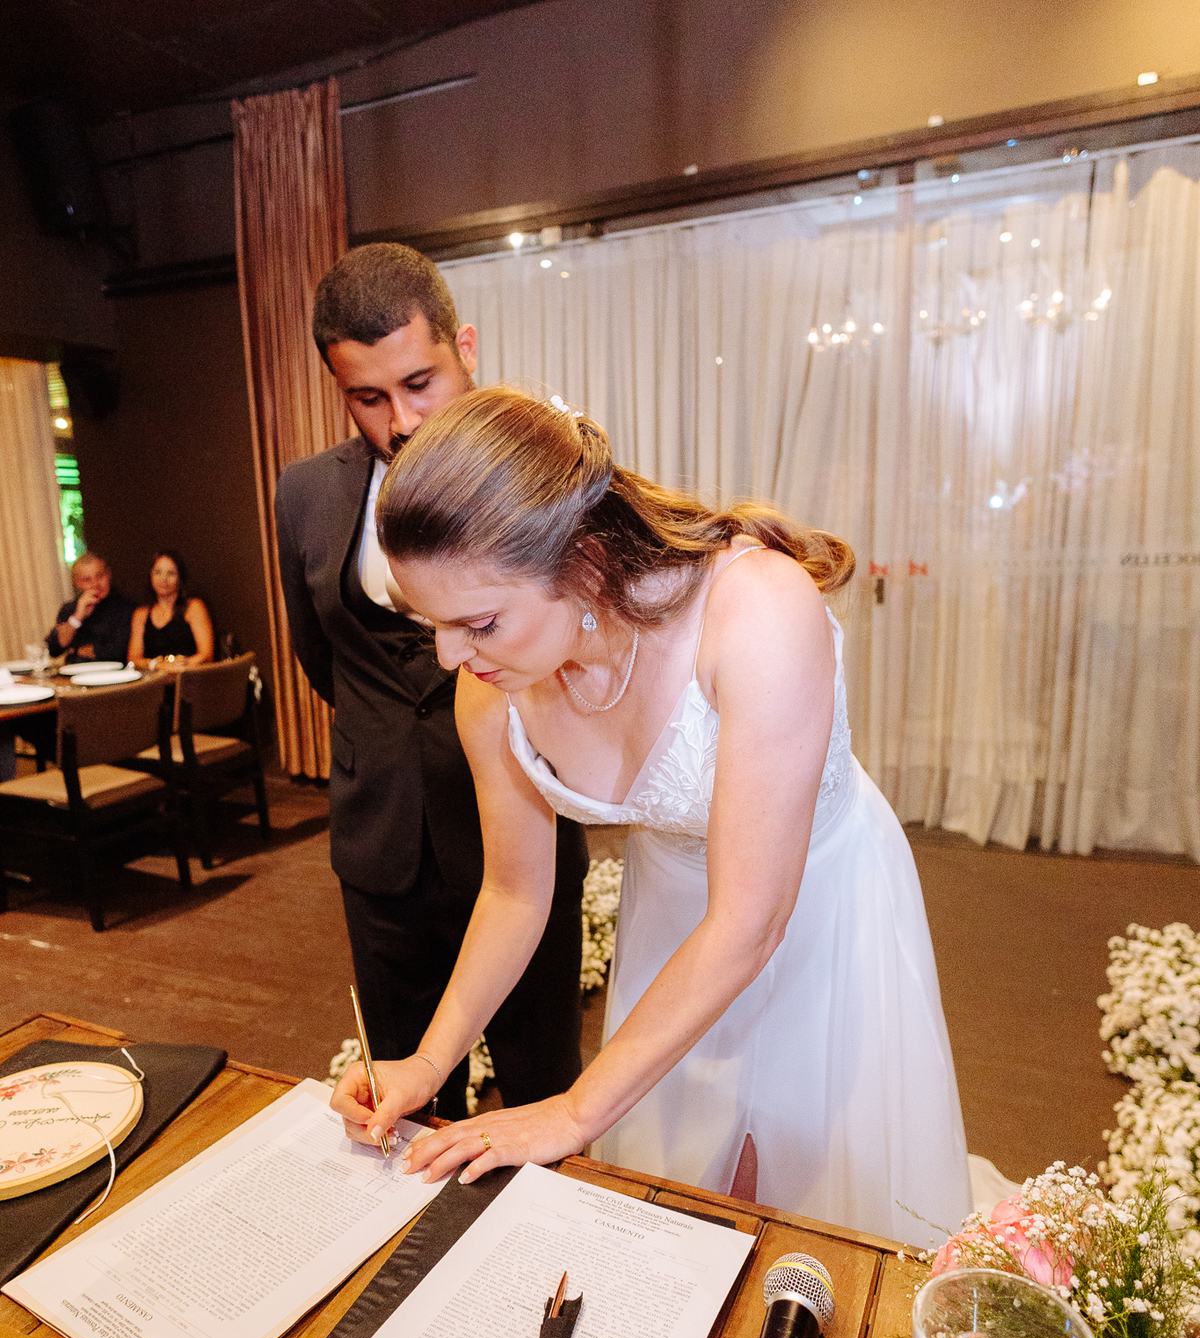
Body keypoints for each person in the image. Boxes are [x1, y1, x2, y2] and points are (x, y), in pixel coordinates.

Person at [332, 388, 972, 1246]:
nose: (449, 657)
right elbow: (518, 895)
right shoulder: (487, 691)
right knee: (689, 1187)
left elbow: (750, 919)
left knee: (815, 1198)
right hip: (675, 913)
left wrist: (572, 1110)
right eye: (433, 623)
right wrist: (430, 1061)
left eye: (478, 622)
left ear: (586, 566)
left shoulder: (759, 615)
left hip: (816, 905)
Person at [276, 244, 588, 1119]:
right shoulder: (303, 494)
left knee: (541, 1080)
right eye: (367, 398)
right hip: (378, 839)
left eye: (420, 382)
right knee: (405, 1092)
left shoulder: (543, 473)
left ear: (469, 350)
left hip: (516, 824)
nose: (401, 420)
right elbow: (320, 657)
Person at [46, 553, 135, 663]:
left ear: (108, 575)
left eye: (99, 576)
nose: (95, 584)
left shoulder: (126, 607)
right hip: (74, 675)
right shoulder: (69, 609)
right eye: (87, 580)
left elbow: (117, 652)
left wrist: (74, 651)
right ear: (77, 582)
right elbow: (54, 649)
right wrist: (77, 617)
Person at [128, 552, 214, 665]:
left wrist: (184, 664)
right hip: (154, 679)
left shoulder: (194, 607)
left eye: (171, 573)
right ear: (150, 576)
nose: (163, 579)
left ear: (180, 577)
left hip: (187, 677)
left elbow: (206, 655)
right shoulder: (141, 614)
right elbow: (133, 659)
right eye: (158, 572)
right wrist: (156, 665)